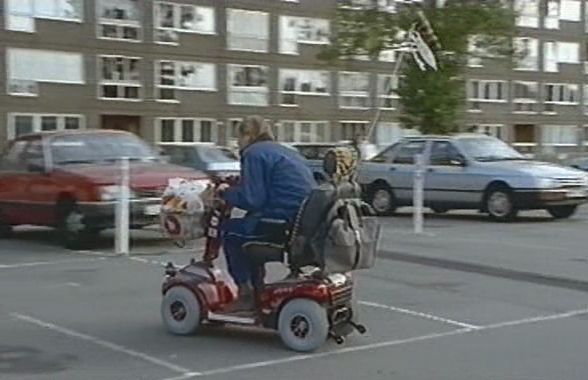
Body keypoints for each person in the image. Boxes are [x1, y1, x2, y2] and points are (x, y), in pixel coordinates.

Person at [219, 116, 316, 311]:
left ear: (248, 135)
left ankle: (246, 293)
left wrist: (226, 192)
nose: (238, 143)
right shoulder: (284, 151)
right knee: (246, 227)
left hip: (278, 220)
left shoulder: (253, 153)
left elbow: (253, 199)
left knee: (230, 232)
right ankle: (258, 289)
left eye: (238, 137)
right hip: (299, 219)